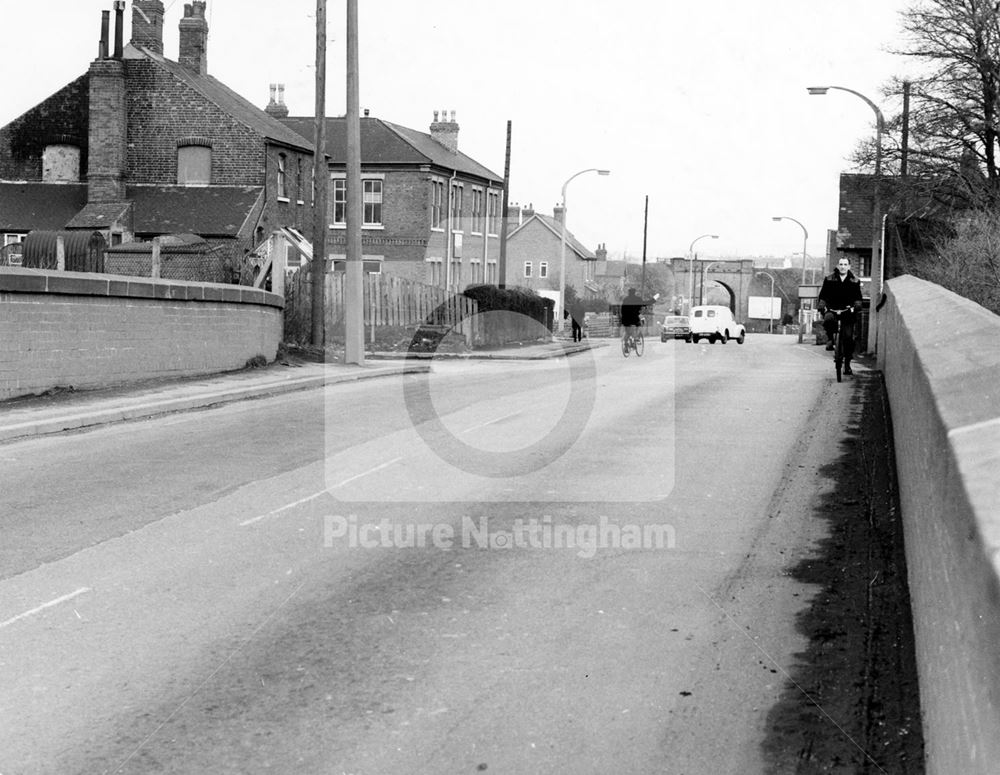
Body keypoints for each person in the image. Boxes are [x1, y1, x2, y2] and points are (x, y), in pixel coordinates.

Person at [816, 257, 864, 375]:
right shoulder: (829, 279)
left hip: (847, 311)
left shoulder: (854, 280)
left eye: (845, 264)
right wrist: (822, 304)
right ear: (838, 266)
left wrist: (857, 305)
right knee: (828, 320)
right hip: (832, 309)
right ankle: (831, 339)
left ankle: (847, 364)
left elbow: (858, 297)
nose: (843, 266)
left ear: (849, 266)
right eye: (841, 264)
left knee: (848, 338)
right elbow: (823, 294)